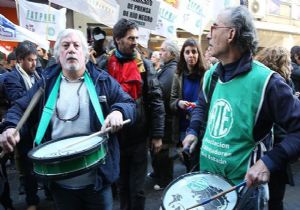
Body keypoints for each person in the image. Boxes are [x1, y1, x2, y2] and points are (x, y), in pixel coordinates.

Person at [0, 28, 136, 210]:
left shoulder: (102, 81)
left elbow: (128, 103)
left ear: (85, 55)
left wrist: (118, 112)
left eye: (76, 45)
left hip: (97, 181)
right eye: (65, 46)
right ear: (58, 56)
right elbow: (20, 107)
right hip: (60, 182)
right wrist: (10, 127)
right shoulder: (46, 83)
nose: (71, 49)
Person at [183, 6, 300, 209]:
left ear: (231, 34)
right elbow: (202, 104)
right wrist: (193, 130)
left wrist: (270, 161)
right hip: (208, 185)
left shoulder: (267, 82)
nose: (209, 34)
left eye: (214, 27)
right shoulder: (212, 75)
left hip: (244, 192)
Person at [98, 18, 165, 210]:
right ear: (118, 39)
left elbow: (155, 100)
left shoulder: (144, 65)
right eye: (130, 38)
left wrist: (157, 135)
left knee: (137, 189)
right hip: (114, 139)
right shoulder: (104, 64)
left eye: (136, 38)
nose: (135, 42)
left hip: (138, 139)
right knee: (121, 186)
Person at [255, 46, 297, 210]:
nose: (291, 67)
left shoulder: (261, 82)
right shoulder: (277, 84)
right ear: (279, 63)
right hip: (274, 151)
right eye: (288, 62)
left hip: (262, 152)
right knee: (274, 199)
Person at [3, 41, 41, 210]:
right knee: (27, 167)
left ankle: (49, 193)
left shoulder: (38, 74)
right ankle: (32, 201)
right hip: (23, 129)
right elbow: (20, 101)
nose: (35, 64)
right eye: (30, 60)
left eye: (36, 60)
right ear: (19, 60)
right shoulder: (12, 78)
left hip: (40, 127)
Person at [170, 38, 207, 172]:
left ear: (198, 54)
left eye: (194, 51)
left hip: (200, 126)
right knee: (187, 159)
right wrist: (179, 103)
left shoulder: (206, 74)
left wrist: (198, 105)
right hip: (182, 125)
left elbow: (209, 101)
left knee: (198, 161)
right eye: (187, 52)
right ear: (183, 55)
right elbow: (172, 101)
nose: (191, 55)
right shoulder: (178, 75)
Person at [148, 40, 179, 190]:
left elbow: (162, 92)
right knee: (159, 151)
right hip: (164, 117)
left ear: (172, 53)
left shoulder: (171, 70)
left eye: (163, 50)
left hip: (167, 118)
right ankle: (158, 174)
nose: (160, 53)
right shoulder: (166, 68)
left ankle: (166, 180)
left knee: (164, 151)